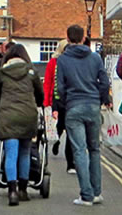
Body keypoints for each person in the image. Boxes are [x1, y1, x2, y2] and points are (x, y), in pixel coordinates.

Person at [57, 25, 111, 206]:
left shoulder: (63, 60)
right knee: (94, 149)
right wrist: (102, 98)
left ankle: (86, 195)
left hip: (74, 106)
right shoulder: (95, 58)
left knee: (79, 151)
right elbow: (104, 81)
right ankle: (96, 192)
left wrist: (66, 102)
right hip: (93, 106)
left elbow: (61, 87)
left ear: (68, 38)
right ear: (83, 38)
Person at [0, 44, 44, 206]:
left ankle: (12, 191)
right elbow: (40, 95)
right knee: (25, 152)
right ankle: (23, 190)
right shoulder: (31, 73)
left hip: (7, 115)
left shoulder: (2, 73)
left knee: (11, 153)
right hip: (27, 115)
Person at [43, 39, 75, 173]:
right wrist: (46, 102)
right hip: (56, 100)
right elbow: (48, 81)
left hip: (70, 101)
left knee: (69, 131)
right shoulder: (53, 62)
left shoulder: (73, 63)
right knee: (60, 125)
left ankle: (70, 164)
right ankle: (56, 141)